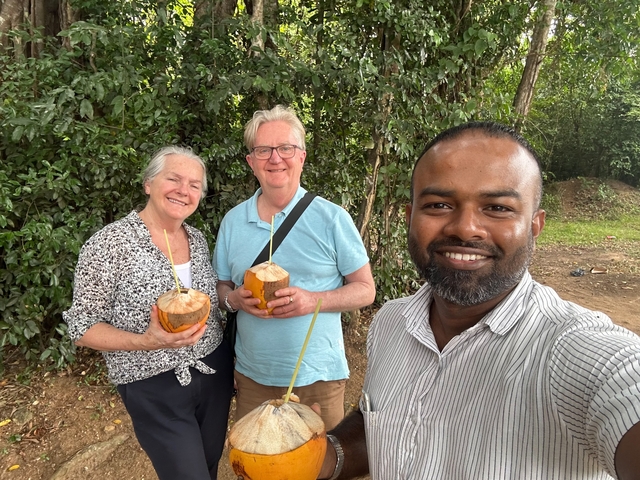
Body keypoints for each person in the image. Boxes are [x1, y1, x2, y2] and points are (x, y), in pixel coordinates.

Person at [316, 122, 640, 480]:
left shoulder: (576, 352)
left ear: (535, 225)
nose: (465, 228)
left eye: (497, 208)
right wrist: (331, 455)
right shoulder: (391, 322)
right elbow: (386, 418)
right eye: (439, 204)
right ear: (410, 218)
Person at [63, 146, 234, 480]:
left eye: (195, 184)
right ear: (148, 184)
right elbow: (81, 327)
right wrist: (146, 341)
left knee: (210, 461)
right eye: (174, 178)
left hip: (214, 370)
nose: (184, 190)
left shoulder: (197, 239)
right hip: (153, 384)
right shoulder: (109, 244)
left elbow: (206, 303)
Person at [213, 105, 376, 430]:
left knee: (318, 466)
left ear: (301, 156)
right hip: (252, 377)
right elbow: (222, 288)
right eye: (264, 150)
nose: (275, 158)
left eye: (285, 148)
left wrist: (312, 301)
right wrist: (234, 300)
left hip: (317, 377)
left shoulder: (332, 219)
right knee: (258, 465)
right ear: (252, 162)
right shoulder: (232, 222)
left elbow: (366, 290)